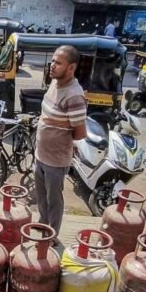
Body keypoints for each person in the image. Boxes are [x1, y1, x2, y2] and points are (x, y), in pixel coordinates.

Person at [35, 45, 87, 237]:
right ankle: (43, 224)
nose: (52, 65)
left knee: (53, 200)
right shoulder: (54, 82)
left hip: (56, 161)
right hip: (41, 154)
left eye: (58, 62)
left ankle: (52, 235)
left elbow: (80, 133)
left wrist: (59, 138)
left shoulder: (74, 95)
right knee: (41, 197)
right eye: (53, 61)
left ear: (71, 68)